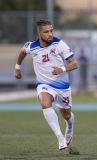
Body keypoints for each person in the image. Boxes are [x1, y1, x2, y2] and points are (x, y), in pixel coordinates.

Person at [13, 19, 78, 150]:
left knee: (66, 114)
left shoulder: (59, 44)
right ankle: (60, 138)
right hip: (44, 84)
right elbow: (22, 51)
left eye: (51, 31)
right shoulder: (32, 47)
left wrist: (62, 69)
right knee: (44, 102)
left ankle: (70, 126)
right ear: (39, 33)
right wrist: (17, 67)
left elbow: (74, 63)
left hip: (62, 87)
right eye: (46, 32)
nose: (50, 34)